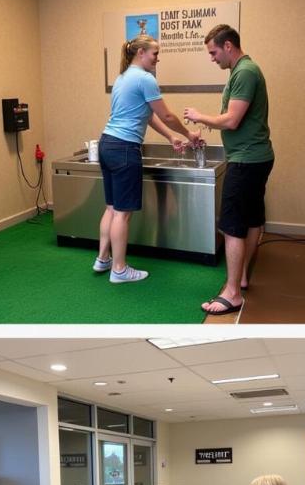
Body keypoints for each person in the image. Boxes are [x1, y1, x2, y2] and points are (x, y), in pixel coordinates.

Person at [94, 35, 201, 283]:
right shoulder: (145, 79)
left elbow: (149, 116)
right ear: (141, 52)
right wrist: (188, 133)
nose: (157, 58)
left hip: (107, 143)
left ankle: (103, 259)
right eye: (155, 53)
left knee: (111, 208)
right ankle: (119, 270)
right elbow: (166, 115)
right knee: (122, 213)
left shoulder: (122, 77)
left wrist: (171, 138)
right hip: (124, 148)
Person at [184, 25, 274, 316]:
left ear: (228, 47)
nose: (212, 58)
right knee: (249, 220)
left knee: (234, 225)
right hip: (253, 157)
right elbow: (234, 119)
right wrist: (208, 124)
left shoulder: (245, 72)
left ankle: (233, 293)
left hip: (247, 159)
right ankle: (242, 276)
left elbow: (233, 120)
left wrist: (200, 117)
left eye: (213, 52)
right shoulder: (241, 72)